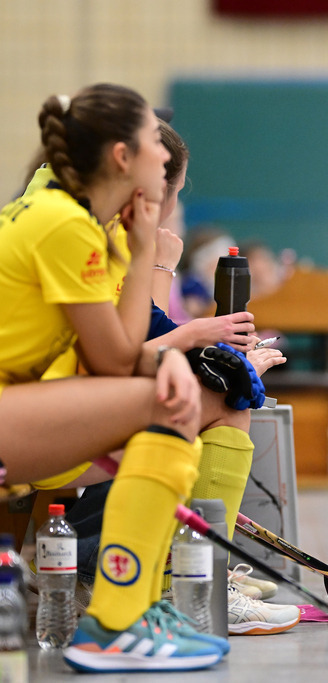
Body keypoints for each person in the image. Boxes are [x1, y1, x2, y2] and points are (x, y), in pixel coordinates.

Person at [35, 118, 297, 637]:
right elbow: (121, 357)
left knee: (219, 384)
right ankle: (178, 582)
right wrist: (195, 331)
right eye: (165, 184)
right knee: (223, 399)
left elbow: (135, 340)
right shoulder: (77, 232)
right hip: (38, 425)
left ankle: (169, 579)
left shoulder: (65, 210)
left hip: (46, 404)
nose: (163, 200)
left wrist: (205, 343)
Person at [0, 83, 229, 671]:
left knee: (167, 394)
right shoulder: (64, 225)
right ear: (123, 158)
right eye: (156, 142)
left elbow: (124, 353)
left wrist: (141, 245)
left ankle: (133, 610)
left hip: (18, 406)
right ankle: (119, 620)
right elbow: (118, 363)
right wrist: (147, 247)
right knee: (167, 403)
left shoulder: (78, 218)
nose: (166, 155)